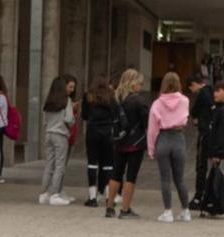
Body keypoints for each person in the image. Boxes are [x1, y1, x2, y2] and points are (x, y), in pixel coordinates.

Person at [148, 73, 192, 223]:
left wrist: (151, 148)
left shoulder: (157, 103)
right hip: (179, 138)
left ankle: (167, 212)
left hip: (163, 139)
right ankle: (186, 211)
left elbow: (152, 128)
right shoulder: (185, 101)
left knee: (165, 179)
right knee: (180, 179)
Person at [106, 69, 150, 219]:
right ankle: (125, 210)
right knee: (131, 176)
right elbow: (146, 122)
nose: (141, 86)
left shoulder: (115, 98)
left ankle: (109, 207)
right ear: (133, 83)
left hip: (119, 142)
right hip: (135, 143)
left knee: (115, 174)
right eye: (140, 83)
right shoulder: (139, 101)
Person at [81, 76, 119, 207]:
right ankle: (109, 197)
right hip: (107, 133)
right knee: (108, 165)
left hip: (92, 133)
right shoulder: (111, 96)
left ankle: (92, 197)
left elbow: (84, 116)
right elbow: (116, 114)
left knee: (92, 164)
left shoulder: (88, 96)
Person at [39, 76, 77, 206]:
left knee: (49, 164)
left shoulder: (48, 102)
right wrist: (71, 125)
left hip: (48, 133)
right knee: (60, 166)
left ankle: (44, 194)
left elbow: (44, 121)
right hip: (60, 135)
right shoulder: (67, 101)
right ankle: (55, 194)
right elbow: (69, 119)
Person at [204, 81, 224, 218]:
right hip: (219, 152)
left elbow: (221, 135)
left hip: (222, 153)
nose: (215, 94)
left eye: (219, 91)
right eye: (215, 91)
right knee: (217, 178)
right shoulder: (220, 109)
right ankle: (216, 205)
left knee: (222, 179)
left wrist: (217, 153)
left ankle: (222, 207)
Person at [187, 73, 214, 211]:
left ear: (194, 84)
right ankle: (210, 194)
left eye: (191, 88)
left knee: (201, 165)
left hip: (205, 133)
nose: (192, 92)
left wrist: (197, 118)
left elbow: (194, 111)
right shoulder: (212, 90)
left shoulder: (203, 94)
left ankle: (199, 196)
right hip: (212, 133)